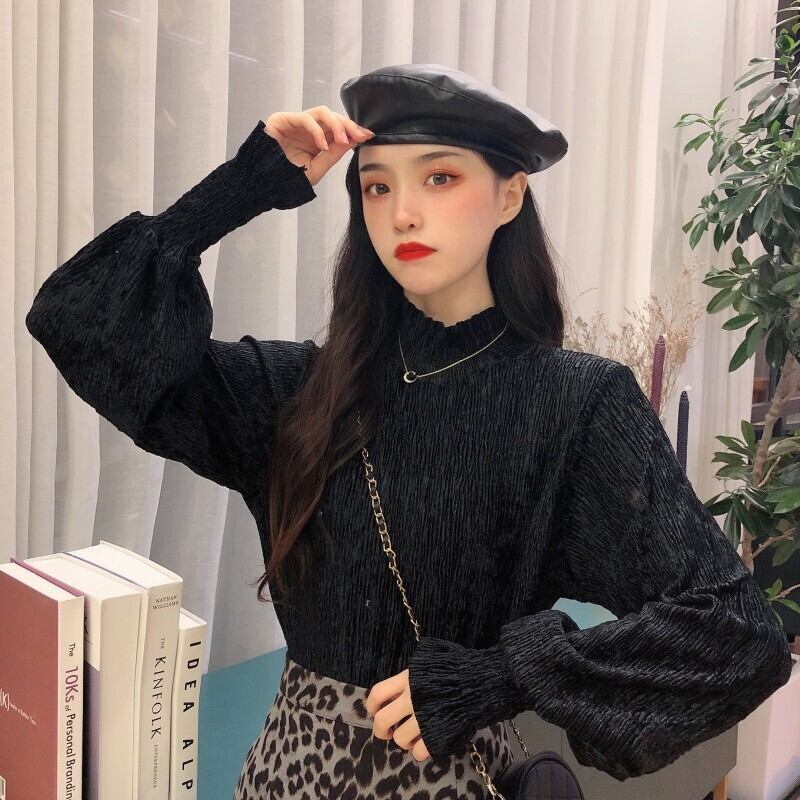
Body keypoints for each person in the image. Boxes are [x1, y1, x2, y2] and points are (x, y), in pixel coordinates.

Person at [25, 63, 793, 799]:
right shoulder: (301, 393)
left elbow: (737, 634)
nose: (402, 214)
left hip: (450, 779)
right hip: (284, 780)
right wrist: (242, 185)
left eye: (440, 178)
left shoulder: (575, 405)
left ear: (510, 194)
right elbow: (76, 322)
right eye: (377, 185)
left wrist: (507, 674)